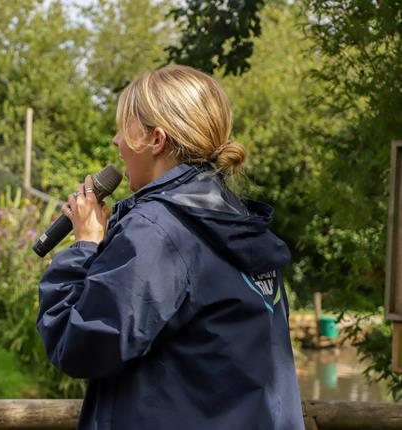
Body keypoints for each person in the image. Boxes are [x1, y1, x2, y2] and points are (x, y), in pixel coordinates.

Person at [36, 65, 304, 429]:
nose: (115, 141)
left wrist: (85, 245)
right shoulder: (237, 221)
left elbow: (80, 346)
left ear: (156, 140)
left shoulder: (157, 232)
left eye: (123, 128)